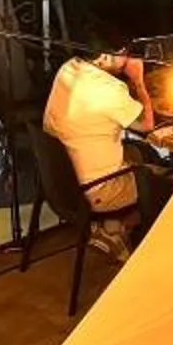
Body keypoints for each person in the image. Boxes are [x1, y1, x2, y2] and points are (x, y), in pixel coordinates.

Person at [41, 48, 151, 225]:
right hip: (101, 191)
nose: (127, 58)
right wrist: (138, 80)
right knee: (166, 182)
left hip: (65, 184)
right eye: (124, 52)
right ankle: (126, 229)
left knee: (138, 153)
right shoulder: (109, 89)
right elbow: (146, 124)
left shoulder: (69, 67)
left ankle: (121, 225)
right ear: (104, 56)